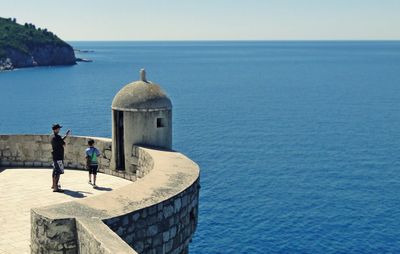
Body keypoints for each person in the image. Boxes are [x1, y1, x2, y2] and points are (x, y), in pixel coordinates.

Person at [51, 124, 70, 193]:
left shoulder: (52, 136)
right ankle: (56, 188)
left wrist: (66, 135)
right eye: (58, 129)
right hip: (59, 156)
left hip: (55, 156)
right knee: (58, 172)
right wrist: (63, 143)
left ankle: (53, 185)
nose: (59, 130)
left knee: (54, 171)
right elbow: (63, 144)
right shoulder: (58, 137)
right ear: (55, 129)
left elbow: (60, 140)